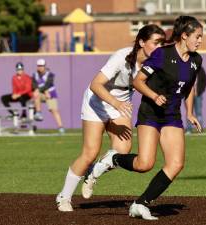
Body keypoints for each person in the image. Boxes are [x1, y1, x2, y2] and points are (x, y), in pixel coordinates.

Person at [85, 15, 203, 220]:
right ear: (184, 36)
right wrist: (154, 96)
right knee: (144, 164)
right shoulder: (162, 54)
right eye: (198, 36)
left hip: (172, 116)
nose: (200, 41)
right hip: (151, 114)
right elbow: (138, 81)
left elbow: (190, 87)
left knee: (176, 164)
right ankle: (113, 158)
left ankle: (140, 204)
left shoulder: (196, 60)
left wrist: (190, 112)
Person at [55, 24, 166, 212]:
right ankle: (64, 197)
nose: (159, 47)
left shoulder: (156, 63)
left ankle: (93, 173)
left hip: (119, 107)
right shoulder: (122, 56)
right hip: (97, 103)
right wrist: (116, 103)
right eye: (155, 42)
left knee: (122, 150)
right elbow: (95, 85)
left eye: (162, 43)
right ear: (141, 42)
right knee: (90, 152)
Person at [32, 59, 65, 133]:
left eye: (42, 66)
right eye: (39, 66)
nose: (40, 67)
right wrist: (41, 90)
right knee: (35, 94)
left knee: (54, 110)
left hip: (50, 94)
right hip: (42, 94)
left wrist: (42, 90)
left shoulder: (50, 74)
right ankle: (38, 113)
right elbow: (33, 85)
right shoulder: (35, 75)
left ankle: (61, 127)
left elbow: (48, 84)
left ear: (45, 66)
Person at [185, 67, 206, 134]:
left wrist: (200, 91)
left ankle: (200, 128)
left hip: (198, 95)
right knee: (189, 112)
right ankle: (189, 129)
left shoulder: (200, 69)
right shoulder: (186, 68)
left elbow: (204, 81)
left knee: (198, 113)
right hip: (188, 94)